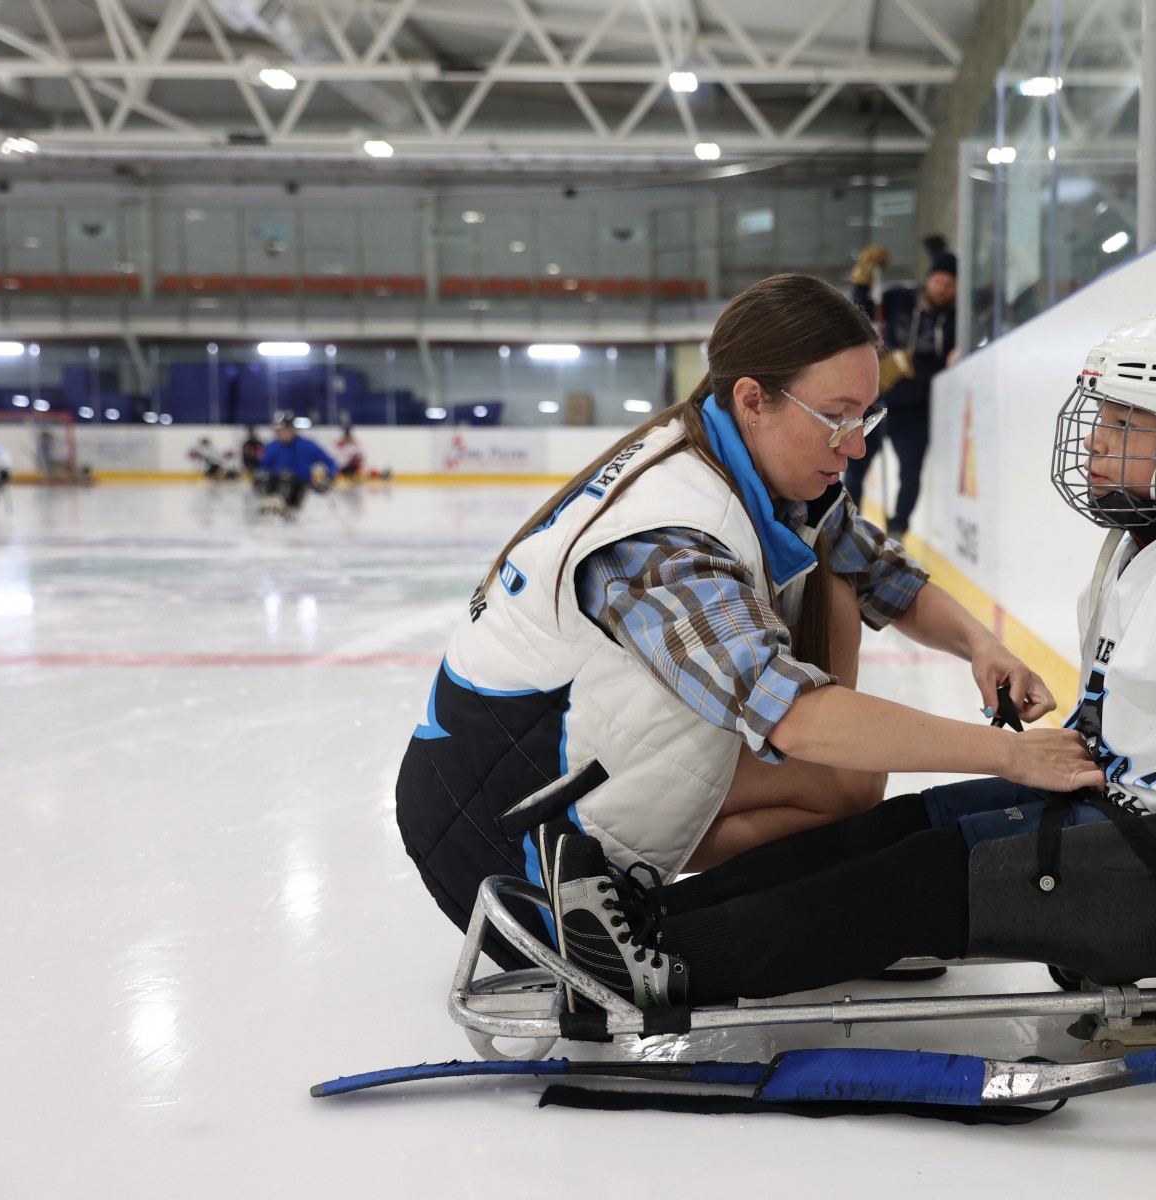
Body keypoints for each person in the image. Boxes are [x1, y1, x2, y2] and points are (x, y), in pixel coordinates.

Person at [548, 307, 1156, 1109]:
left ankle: (670, 969)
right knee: (909, 825)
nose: (1094, 447)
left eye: (1124, 426)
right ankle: (657, 923)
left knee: (917, 883)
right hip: (1130, 819)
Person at [394, 274, 1097, 976]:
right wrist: (1011, 755)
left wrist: (983, 645)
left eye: (865, 418)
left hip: (542, 783)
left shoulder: (746, 464)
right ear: (753, 399)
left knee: (835, 608)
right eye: (838, 417)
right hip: (509, 852)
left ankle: (781, 910)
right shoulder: (666, 537)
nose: (855, 447)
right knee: (834, 757)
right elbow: (790, 715)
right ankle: (647, 925)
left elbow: (884, 577)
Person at [845, 238, 958, 536]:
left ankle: (897, 531)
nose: (942, 288)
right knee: (855, 466)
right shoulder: (898, 298)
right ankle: (848, 526)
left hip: (914, 410)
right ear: (928, 279)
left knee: (911, 473)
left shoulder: (954, 322)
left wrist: (914, 370)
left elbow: (947, 365)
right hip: (876, 401)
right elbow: (861, 311)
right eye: (938, 281)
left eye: (949, 284)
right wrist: (862, 280)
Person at [254, 413, 337, 515]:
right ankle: (270, 503)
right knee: (270, 477)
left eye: (283, 430)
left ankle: (282, 505)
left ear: (292, 429)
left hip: (297, 488)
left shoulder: (307, 445)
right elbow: (262, 467)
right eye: (278, 431)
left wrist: (329, 477)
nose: (280, 433)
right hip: (275, 486)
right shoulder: (272, 446)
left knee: (287, 477)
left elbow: (331, 463)